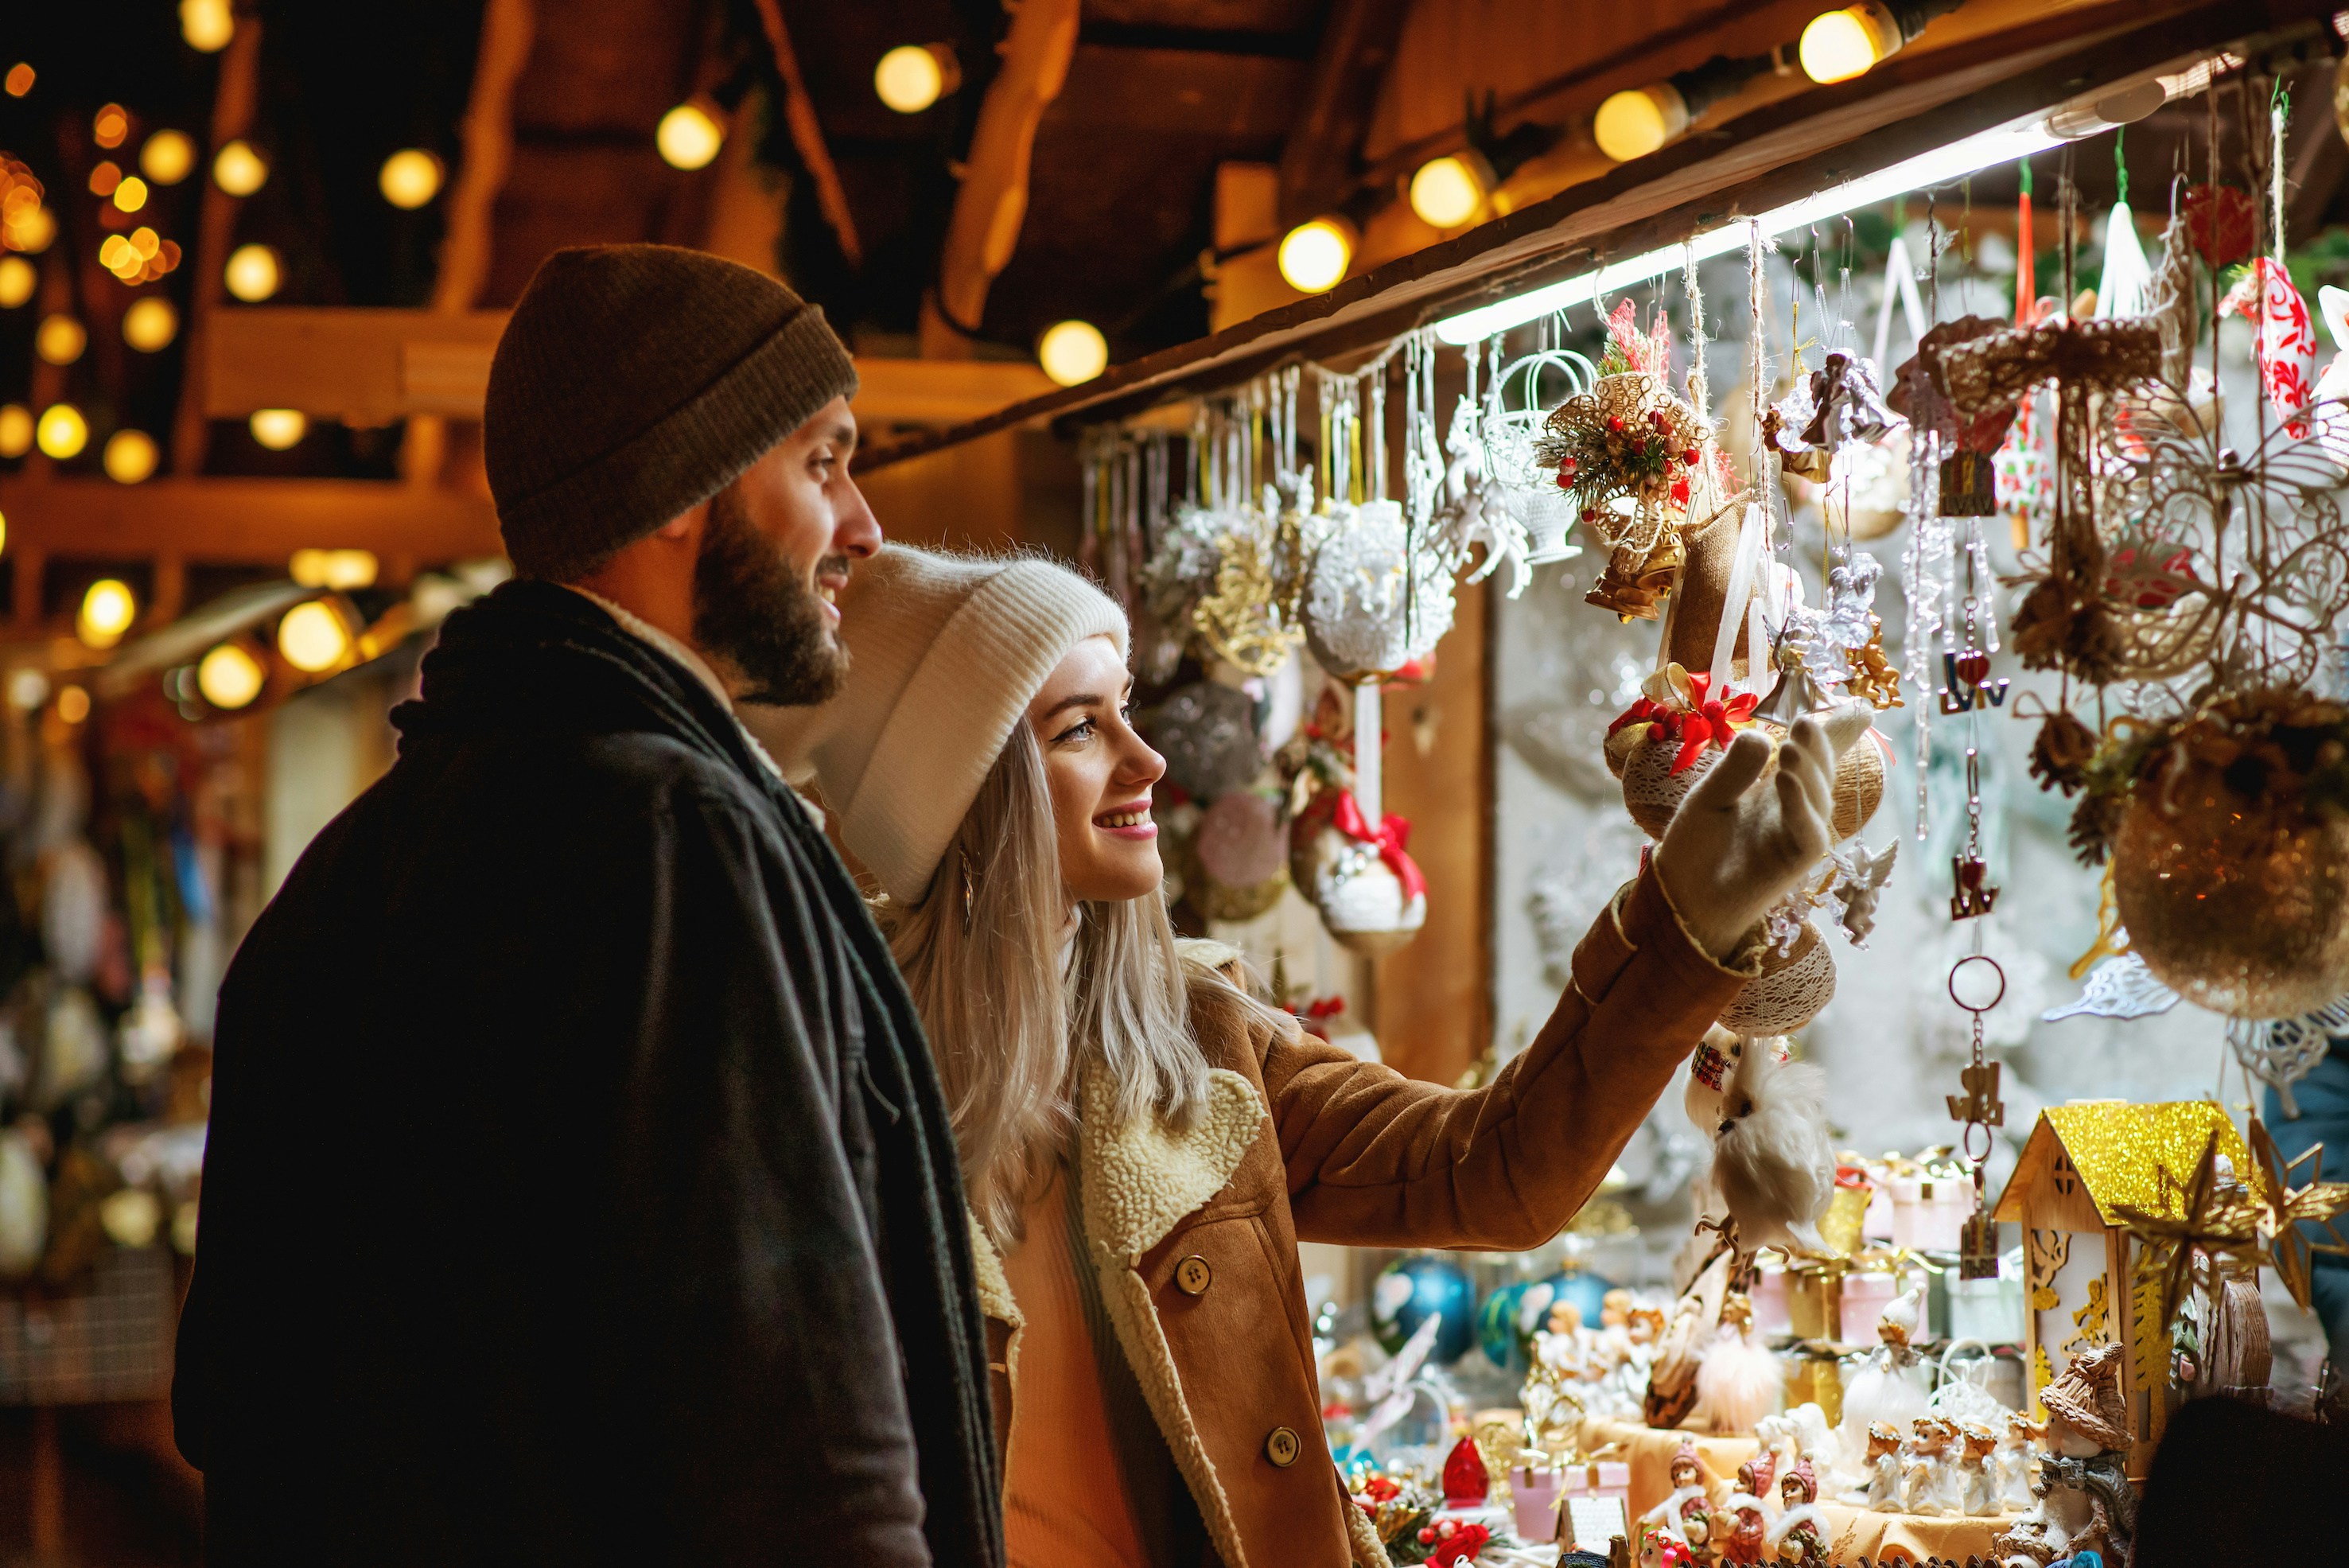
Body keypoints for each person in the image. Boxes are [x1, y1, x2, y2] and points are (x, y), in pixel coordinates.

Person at [756, 545, 1853, 1568]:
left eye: (1126, 712)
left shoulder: (1198, 1039)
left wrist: (1681, 922)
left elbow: (1496, 1171)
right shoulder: (824, 1083)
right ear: (962, 788)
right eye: (1078, 730)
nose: (1148, 758)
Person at [173, 247, 1001, 1566]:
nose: (862, 527)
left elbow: (243, 1405)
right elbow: (797, 1420)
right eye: (821, 461)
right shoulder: (674, 833)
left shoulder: (349, 868)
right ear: (682, 487)